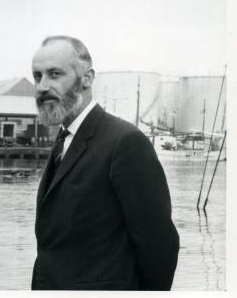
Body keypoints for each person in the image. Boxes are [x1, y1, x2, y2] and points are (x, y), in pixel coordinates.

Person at [31, 36, 179, 291]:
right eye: (37, 76)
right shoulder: (64, 140)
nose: (43, 86)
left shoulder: (124, 143)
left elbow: (159, 245)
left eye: (54, 74)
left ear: (87, 78)